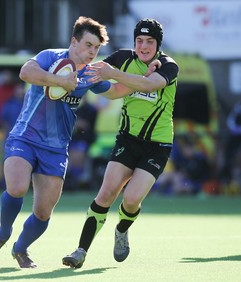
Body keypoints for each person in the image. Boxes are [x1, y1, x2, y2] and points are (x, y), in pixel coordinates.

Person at [0, 16, 159, 269]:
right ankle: (3, 233)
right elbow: (26, 72)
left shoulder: (90, 73)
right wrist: (61, 81)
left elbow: (115, 91)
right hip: (25, 137)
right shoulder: (50, 56)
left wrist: (145, 76)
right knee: (17, 187)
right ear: (74, 42)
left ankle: (20, 248)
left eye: (96, 48)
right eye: (88, 45)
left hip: (56, 148)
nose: (92, 52)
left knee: (43, 213)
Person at [62, 18, 179, 268]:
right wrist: (81, 82)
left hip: (157, 146)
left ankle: (122, 230)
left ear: (158, 44)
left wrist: (112, 74)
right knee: (105, 194)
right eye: (139, 40)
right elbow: (109, 88)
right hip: (127, 139)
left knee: (131, 199)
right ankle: (80, 250)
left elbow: (148, 84)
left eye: (149, 41)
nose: (143, 46)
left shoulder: (169, 66)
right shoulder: (123, 57)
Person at [65, 95, 98, 191]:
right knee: (70, 160)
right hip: (73, 139)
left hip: (85, 140)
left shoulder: (90, 109)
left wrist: (75, 122)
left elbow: (85, 125)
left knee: (78, 159)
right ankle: (70, 181)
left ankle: (76, 182)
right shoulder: (73, 107)